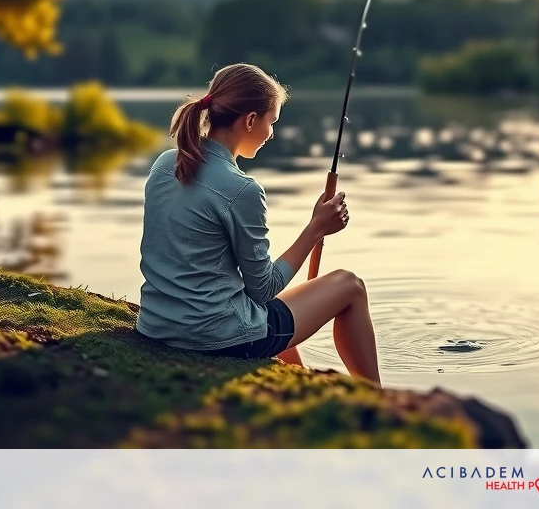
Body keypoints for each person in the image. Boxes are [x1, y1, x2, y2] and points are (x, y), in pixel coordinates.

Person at [135, 63, 380, 385]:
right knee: (350, 285)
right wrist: (315, 229)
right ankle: (376, 394)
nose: (271, 134)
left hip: (156, 324)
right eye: (271, 122)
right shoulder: (241, 190)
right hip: (216, 337)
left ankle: (298, 381)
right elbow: (263, 289)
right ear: (251, 120)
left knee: (274, 311)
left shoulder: (165, 163)